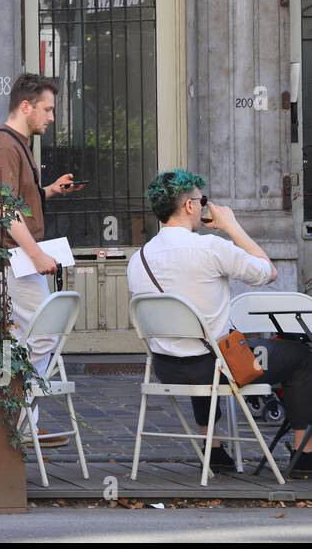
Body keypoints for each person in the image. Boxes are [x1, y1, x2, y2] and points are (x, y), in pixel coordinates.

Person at [127, 170, 312, 475]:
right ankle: (305, 454)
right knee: (301, 357)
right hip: (215, 368)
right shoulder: (210, 247)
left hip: (167, 367)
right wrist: (232, 226)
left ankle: (213, 449)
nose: (205, 207)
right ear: (189, 206)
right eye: (203, 201)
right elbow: (267, 271)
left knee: (205, 345)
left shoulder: (139, 258)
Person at [0, 73, 81, 446]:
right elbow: (4, 207)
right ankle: (19, 413)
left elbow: (16, 200)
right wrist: (36, 254)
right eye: (47, 109)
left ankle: (20, 416)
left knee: (31, 336)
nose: (51, 117)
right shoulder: (4, 147)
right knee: (44, 334)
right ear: (26, 106)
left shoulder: (15, 145)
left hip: (19, 257)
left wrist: (48, 191)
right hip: (16, 259)